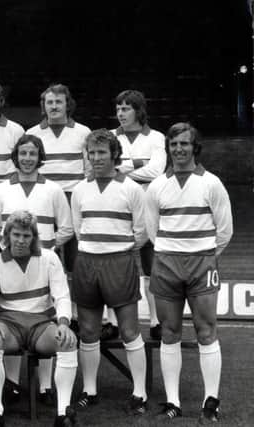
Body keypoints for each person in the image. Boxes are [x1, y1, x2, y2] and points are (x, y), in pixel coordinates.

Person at [145, 123, 233, 423]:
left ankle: (211, 402)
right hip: (167, 265)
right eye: (174, 144)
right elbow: (151, 230)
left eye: (184, 144)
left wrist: (202, 255)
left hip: (202, 265)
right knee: (169, 332)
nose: (179, 149)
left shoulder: (212, 183)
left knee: (206, 330)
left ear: (195, 147)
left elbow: (225, 232)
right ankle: (173, 401)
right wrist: (173, 252)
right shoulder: (157, 186)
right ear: (168, 148)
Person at [0, 133, 73, 403]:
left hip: (43, 266)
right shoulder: (1, 189)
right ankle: (10, 385)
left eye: (32, 154)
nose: (27, 158)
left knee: (43, 314)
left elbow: (67, 227)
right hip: (12, 263)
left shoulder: (54, 189)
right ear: (16, 156)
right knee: (11, 314)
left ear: (39, 157)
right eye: (22, 153)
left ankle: (46, 387)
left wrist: (44, 248)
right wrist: (11, 254)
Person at [70, 129, 148, 413]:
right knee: (89, 330)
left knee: (129, 330)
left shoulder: (131, 188)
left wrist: (118, 248)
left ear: (115, 154)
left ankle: (139, 392)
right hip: (87, 261)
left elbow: (141, 232)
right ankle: (89, 390)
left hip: (120, 261)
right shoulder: (80, 189)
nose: (96, 158)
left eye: (102, 152)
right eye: (92, 153)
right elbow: (79, 229)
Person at [0, 210, 78, 427]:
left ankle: (63, 413)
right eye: (16, 235)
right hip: (9, 323)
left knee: (67, 342)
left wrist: (63, 323)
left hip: (41, 323)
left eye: (26, 236)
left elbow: (62, 295)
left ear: (34, 237)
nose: (21, 241)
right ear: (7, 236)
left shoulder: (50, 258)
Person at [106, 89, 166, 341]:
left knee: (151, 265)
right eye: (118, 109)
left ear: (139, 110)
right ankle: (111, 323)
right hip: (118, 207)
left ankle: (155, 321)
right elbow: (105, 165)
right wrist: (138, 164)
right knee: (112, 263)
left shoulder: (157, 137)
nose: (121, 113)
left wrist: (121, 169)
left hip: (149, 208)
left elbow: (156, 171)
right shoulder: (109, 136)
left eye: (126, 108)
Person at [25, 83, 91, 273]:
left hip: (72, 197)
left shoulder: (83, 132)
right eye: (50, 102)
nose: (54, 106)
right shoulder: (32, 133)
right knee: (42, 248)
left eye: (58, 102)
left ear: (67, 105)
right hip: (44, 197)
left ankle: (73, 297)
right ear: (43, 105)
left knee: (74, 255)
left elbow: (88, 168)